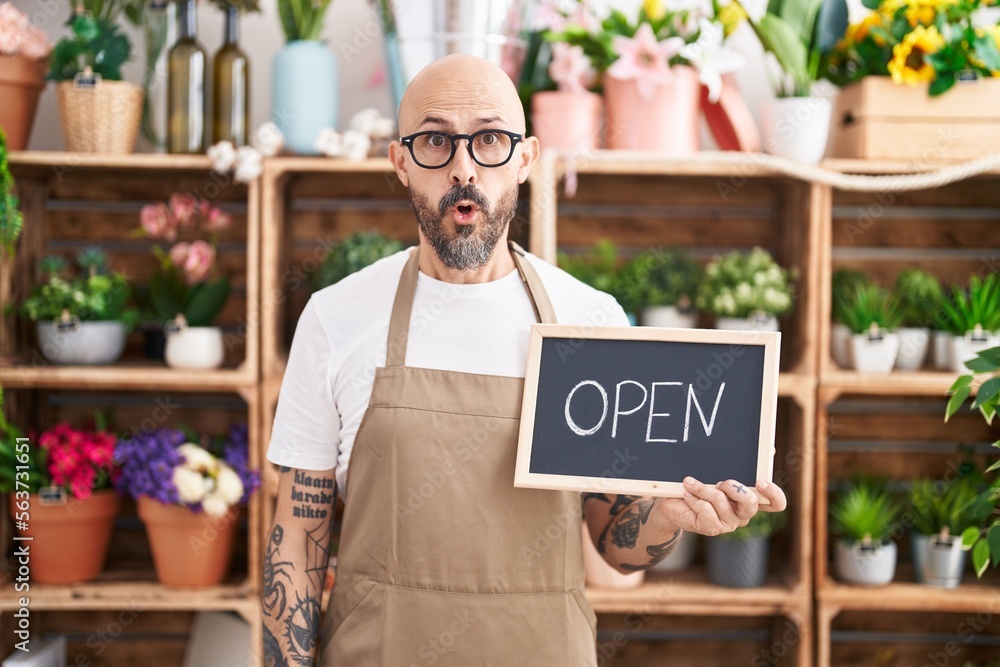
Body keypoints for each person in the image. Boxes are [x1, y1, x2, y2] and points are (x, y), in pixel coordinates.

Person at [262, 53, 787, 667]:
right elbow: (296, 543)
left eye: (489, 139)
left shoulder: (590, 320)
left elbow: (615, 545)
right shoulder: (335, 318)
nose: (464, 168)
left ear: (526, 159)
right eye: (435, 140)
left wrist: (668, 515)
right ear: (400, 162)